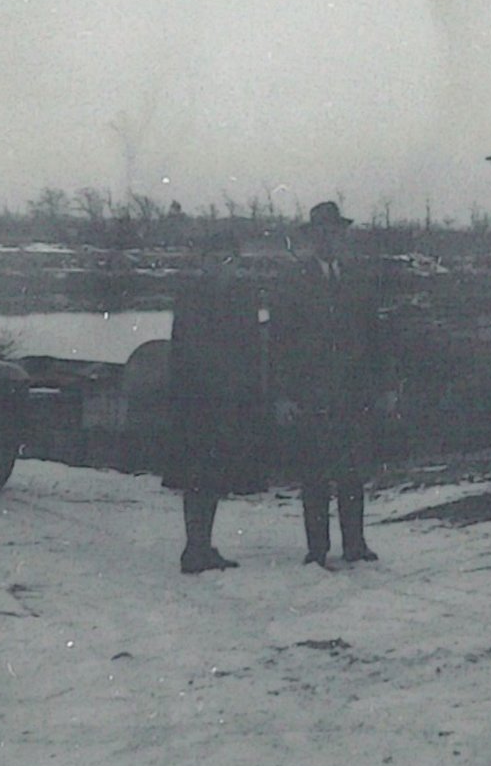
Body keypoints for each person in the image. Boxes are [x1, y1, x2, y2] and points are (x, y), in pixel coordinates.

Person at [274, 201, 393, 568]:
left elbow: (376, 339)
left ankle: (354, 544)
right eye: (322, 232)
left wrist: (385, 387)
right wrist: (283, 395)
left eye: (335, 232)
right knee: (315, 475)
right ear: (312, 238)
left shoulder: (357, 281)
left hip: (353, 393)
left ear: (342, 237)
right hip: (311, 393)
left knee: (352, 473)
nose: (330, 239)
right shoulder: (293, 283)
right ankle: (317, 549)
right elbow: (279, 343)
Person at [161, 226, 272, 575]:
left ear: (236, 263)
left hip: (230, 400)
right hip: (197, 400)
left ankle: (202, 546)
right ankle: (194, 548)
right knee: (197, 475)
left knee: (214, 475)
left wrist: (249, 392)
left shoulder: (243, 297)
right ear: (203, 262)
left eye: (228, 260)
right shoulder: (191, 296)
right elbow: (184, 350)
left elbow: (252, 350)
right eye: (215, 259)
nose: (222, 266)